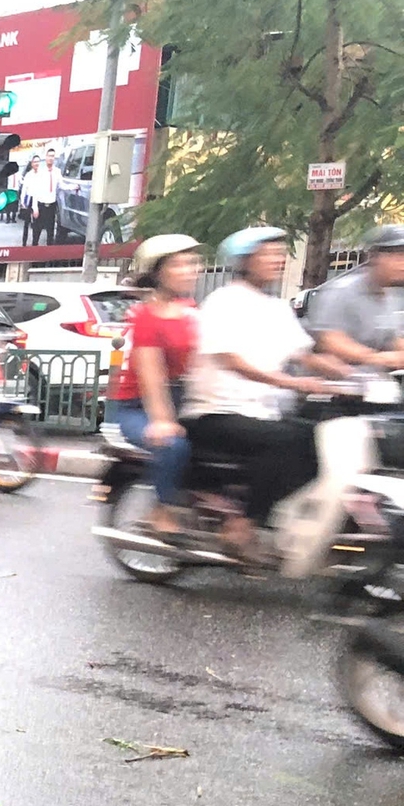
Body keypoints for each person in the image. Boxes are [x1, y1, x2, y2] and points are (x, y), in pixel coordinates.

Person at [181, 226, 346, 561]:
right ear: (245, 261)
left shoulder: (277, 308)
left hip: (262, 414)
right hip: (216, 413)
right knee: (291, 441)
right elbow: (231, 361)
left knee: (322, 439)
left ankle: (270, 519)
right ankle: (243, 524)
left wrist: (344, 372)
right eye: (269, 253)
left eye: (280, 253)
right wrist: (291, 383)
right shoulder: (222, 302)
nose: (278, 260)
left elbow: (303, 354)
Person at [108, 234, 201, 535]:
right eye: (179, 264)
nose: (190, 270)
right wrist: (162, 421)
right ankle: (161, 509)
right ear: (158, 272)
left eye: (192, 263)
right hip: (139, 407)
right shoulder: (146, 316)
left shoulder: (190, 309)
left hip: (182, 400)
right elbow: (151, 377)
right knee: (174, 447)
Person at [304, 223, 404, 370]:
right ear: (374, 257)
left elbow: (393, 339)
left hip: (375, 384)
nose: (402, 265)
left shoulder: (390, 296)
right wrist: (376, 358)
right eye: (398, 257)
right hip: (335, 386)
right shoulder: (342, 291)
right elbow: (330, 340)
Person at [22, 148, 61, 246]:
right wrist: (35, 207)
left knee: (50, 234)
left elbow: (62, 184)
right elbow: (35, 190)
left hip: (51, 206)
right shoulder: (40, 172)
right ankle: (33, 254)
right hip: (40, 205)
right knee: (36, 233)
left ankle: (48, 259)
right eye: (49, 156)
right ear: (46, 157)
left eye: (53, 156)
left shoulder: (57, 172)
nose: (51, 158)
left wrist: (73, 187)